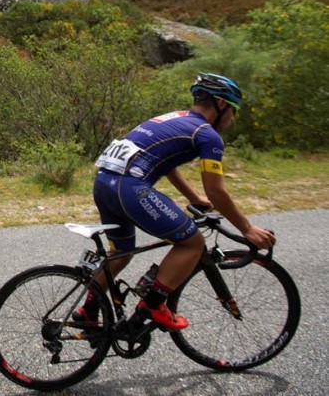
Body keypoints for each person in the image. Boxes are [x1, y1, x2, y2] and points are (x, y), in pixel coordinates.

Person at [84, 72, 275, 330]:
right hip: (129, 188)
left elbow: (167, 165)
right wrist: (247, 229)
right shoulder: (208, 135)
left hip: (104, 184)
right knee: (192, 243)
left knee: (120, 254)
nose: (232, 119)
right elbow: (217, 192)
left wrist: (194, 197)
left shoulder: (175, 119)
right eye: (233, 111)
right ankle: (153, 303)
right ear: (221, 104)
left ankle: (88, 310)